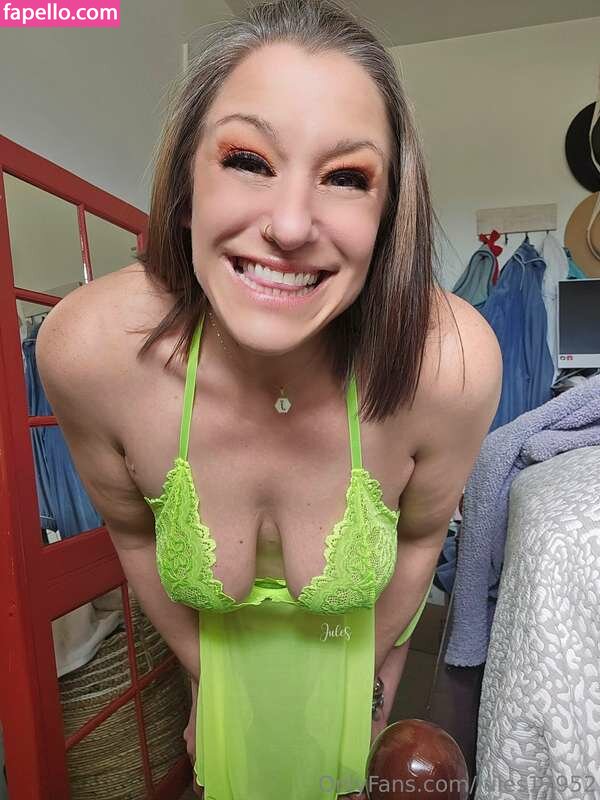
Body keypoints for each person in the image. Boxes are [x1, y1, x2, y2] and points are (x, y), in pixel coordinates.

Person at [36, 0, 502, 797]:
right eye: (248, 160)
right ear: (188, 180)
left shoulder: (450, 362)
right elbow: (135, 536)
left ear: (388, 212)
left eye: (346, 177)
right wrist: (208, 680)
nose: (289, 226)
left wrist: (367, 682)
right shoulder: (90, 352)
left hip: (355, 674)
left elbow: (423, 540)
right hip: (217, 687)